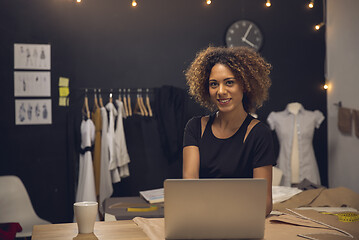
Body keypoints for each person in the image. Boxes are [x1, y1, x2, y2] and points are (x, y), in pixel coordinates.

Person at [183, 46, 276, 216]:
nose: (221, 91)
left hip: (242, 221)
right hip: (202, 219)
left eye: (229, 82)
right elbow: (189, 187)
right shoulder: (195, 127)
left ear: (245, 84)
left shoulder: (259, 133)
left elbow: (265, 203)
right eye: (213, 84)